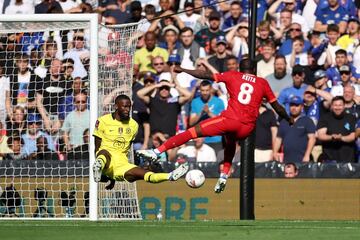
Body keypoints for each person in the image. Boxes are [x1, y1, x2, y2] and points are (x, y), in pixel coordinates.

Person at [136, 58, 294, 193]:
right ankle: (224, 175)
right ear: (254, 70)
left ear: (240, 69)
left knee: (192, 132)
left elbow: (205, 75)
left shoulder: (233, 75)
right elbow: (277, 106)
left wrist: (183, 69)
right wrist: (288, 118)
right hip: (247, 128)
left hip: (231, 120)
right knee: (231, 142)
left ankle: (156, 152)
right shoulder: (263, 82)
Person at [92, 94, 189, 189]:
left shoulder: (133, 125)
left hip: (121, 164)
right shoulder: (103, 121)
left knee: (146, 174)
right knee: (103, 152)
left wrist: (112, 178)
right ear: (116, 106)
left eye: (129, 107)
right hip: (105, 160)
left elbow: (127, 148)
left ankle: (169, 176)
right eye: (124, 107)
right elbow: (97, 146)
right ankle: (99, 165)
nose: (127, 110)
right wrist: (102, 165)